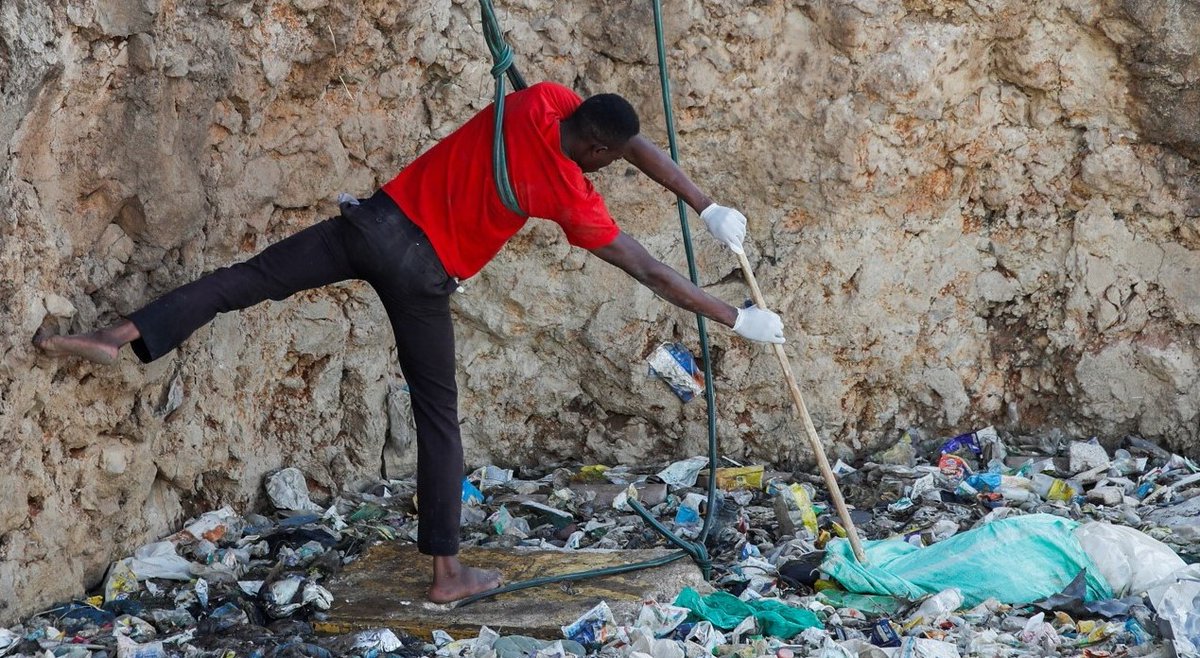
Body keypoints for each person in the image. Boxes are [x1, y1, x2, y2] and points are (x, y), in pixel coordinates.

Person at [34, 81, 786, 603]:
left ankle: (127, 331)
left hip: (372, 226)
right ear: (591, 148)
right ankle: (447, 572)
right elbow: (651, 271)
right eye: (605, 159)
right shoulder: (569, 194)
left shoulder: (540, 100)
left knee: (248, 278)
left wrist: (705, 202)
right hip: (422, 275)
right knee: (438, 417)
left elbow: (631, 138)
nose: (611, 169)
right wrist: (735, 318)